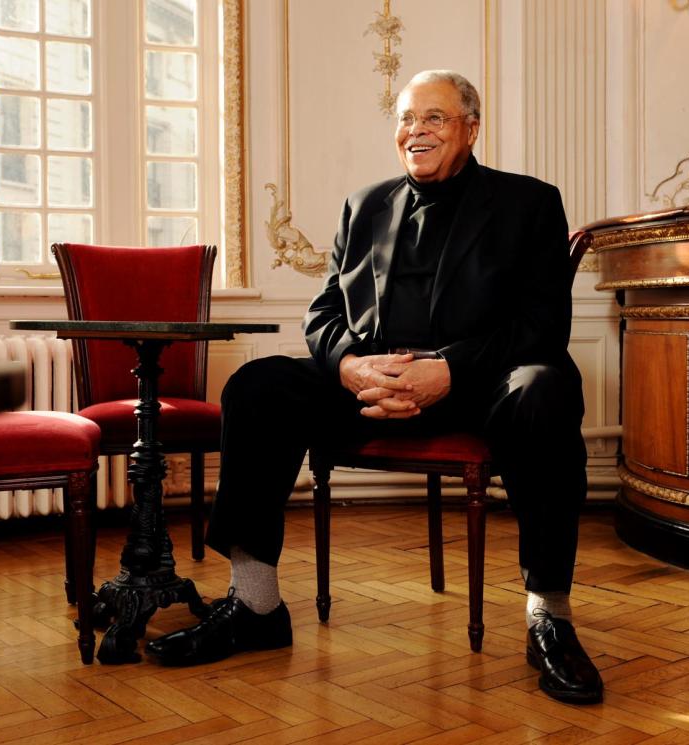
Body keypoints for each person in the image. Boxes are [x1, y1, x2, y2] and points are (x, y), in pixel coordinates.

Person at [146, 69, 602, 705]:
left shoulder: (529, 203)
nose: (416, 131)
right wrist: (349, 368)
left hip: (475, 386)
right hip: (368, 385)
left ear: (472, 128)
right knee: (257, 385)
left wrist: (446, 369)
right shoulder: (364, 205)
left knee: (546, 388)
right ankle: (255, 607)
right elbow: (323, 313)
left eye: (434, 118)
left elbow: (541, 324)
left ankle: (548, 618)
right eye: (407, 119)